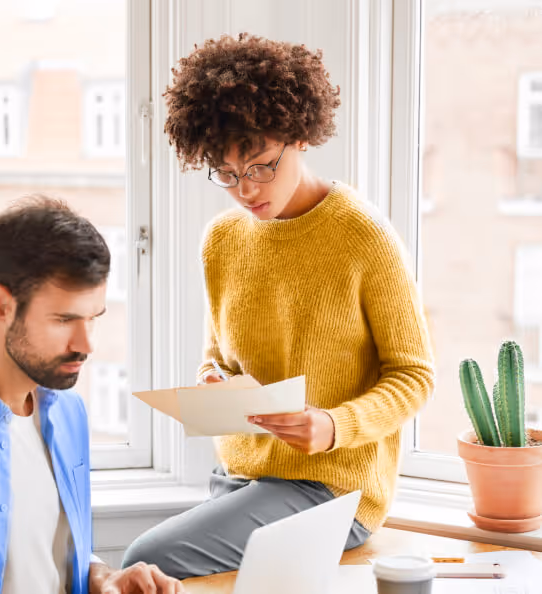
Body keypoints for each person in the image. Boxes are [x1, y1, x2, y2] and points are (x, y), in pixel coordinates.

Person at [123, 33, 435, 580]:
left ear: (299, 136)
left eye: (262, 165)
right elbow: (218, 355)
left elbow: (414, 375)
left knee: (144, 562)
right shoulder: (222, 239)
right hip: (240, 476)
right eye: (227, 173)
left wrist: (334, 425)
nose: (246, 189)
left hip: (331, 489)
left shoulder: (363, 236)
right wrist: (212, 381)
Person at [0, 196, 184, 594]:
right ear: (1, 304)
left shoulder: (66, 411)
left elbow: (36, 549)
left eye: (94, 318)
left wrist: (100, 577)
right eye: (64, 320)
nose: (87, 344)